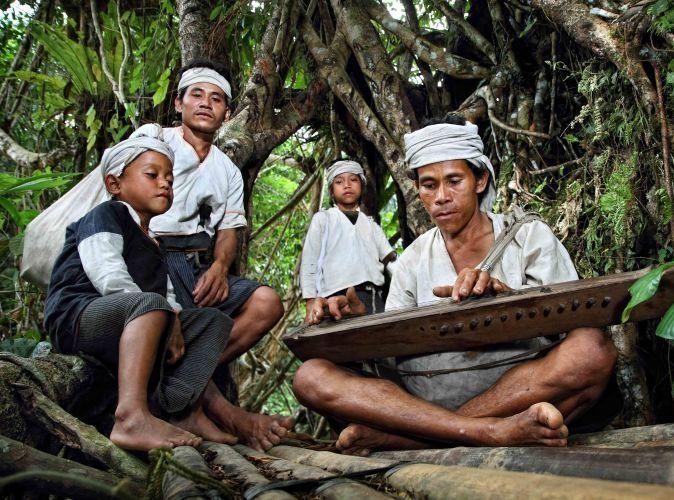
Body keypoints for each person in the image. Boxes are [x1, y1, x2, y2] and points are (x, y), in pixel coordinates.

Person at [293, 115, 618, 454]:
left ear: (480, 180)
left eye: (454, 181)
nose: (441, 197)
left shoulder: (527, 237)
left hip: (520, 392)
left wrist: (506, 299)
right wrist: (357, 324)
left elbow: (572, 327)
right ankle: (488, 432)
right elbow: (388, 354)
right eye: (429, 185)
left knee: (591, 349)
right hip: (425, 397)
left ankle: (418, 439)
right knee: (311, 376)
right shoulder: (412, 260)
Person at [44, 126, 238, 451]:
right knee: (151, 304)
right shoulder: (106, 214)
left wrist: (174, 317)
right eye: (152, 174)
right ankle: (131, 417)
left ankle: (179, 411)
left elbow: (166, 293)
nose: (165, 182)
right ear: (115, 183)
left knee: (211, 322)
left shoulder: (151, 239)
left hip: (128, 318)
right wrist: (162, 313)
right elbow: (106, 271)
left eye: (170, 178)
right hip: (78, 317)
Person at [149, 59, 293, 449]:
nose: (205, 104)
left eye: (216, 99)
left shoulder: (227, 169)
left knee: (266, 302)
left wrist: (218, 266)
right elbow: (128, 208)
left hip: (198, 262)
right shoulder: (155, 141)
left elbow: (229, 229)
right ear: (178, 103)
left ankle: (181, 383)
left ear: (227, 114)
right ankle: (216, 411)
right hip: (153, 255)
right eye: (196, 95)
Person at [301, 160, 396, 325]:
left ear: (362, 186)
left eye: (353, 180)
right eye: (339, 182)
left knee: (380, 345)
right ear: (331, 190)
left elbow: (390, 260)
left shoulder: (372, 225)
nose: (347, 185)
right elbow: (310, 261)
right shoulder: (323, 219)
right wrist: (310, 302)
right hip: (333, 300)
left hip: (373, 298)